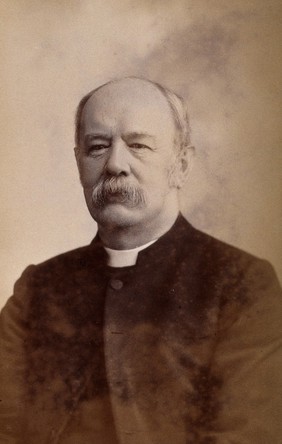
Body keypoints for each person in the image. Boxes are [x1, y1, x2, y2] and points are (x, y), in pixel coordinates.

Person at [0, 77, 282, 444]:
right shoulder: (37, 287)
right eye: (98, 146)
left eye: (139, 145)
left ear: (181, 164)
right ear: (78, 163)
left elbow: (247, 434)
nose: (115, 164)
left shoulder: (243, 283)